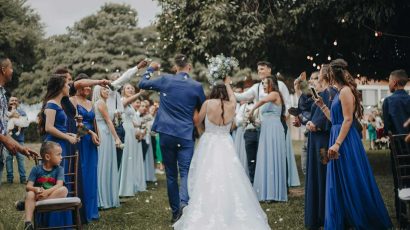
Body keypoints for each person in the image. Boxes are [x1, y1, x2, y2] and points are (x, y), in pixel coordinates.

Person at [174, 75, 270, 230]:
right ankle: (230, 208)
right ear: (225, 93)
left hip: (209, 143)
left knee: (206, 174)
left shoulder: (208, 103)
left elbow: (197, 122)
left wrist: (193, 109)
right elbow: (232, 99)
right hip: (226, 143)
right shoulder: (232, 105)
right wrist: (228, 84)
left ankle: (207, 206)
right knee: (229, 174)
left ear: (213, 92)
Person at [315, 60, 392, 229]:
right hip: (338, 134)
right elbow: (336, 120)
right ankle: (345, 219)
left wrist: (337, 144)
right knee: (339, 181)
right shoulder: (338, 93)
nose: (323, 76)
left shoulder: (345, 91)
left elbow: (348, 120)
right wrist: (322, 107)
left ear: (331, 74)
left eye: (324, 73)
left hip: (345, 141)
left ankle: (362, 217)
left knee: (351, 177)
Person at [139, 54, 206, 223]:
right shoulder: (196, 86)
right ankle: (184, 203)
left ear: (175, 67)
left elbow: (142, 83)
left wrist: (150, 69)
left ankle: (176, 212)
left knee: (170, 175)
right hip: (185, 134)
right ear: (188, 67)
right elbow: (202, 108)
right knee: (185, 172)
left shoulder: (165, 80)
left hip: (166, 133)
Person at [234, 61, 299, 186]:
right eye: (258, 70)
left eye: (262, 69)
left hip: (278, 123)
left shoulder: (280, 85)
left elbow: (288, 105)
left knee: (280, 153)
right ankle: (267, 184)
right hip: (262, 126)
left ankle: (282, 184)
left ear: (269, 70)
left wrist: (281, 121)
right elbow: (242, 97)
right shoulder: (257, 87)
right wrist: (228, 91)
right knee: (265, 155)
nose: (259, 72)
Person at [38, 74, 78, 227]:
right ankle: (52, 222)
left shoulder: (59, 104)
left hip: (61, 144)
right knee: (53, 181)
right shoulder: (51, 104)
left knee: (61, 179)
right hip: (53, 146)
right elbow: (49, 128)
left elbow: (58, 127)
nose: (69, 87)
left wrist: (68, 134)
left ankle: (62, 222)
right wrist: (67, 138)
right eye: (67, 85)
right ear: (61, 87)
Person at [304, 64, 337, 229]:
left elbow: (326, 117)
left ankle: (322, 214)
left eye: (314, 79)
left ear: (321, 78)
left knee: (322, 174)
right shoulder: (325, 94)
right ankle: (321, 213)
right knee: (320, 173)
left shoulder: (328, 93)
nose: (312, 82)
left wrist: (314, 125)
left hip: (322, 142)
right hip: (319, 140)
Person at [249, 76, 288, 202]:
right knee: (266, 157)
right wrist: (254, 121)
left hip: (274, 130)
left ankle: (273, 193)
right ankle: (266, 192)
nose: (263, 85)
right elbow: (264, 114)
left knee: (273, 156)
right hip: (266, 129)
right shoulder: (270, 96)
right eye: (263, 83)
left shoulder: (275, 94)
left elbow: (262, 101)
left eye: (265, 83)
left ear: (271, 83)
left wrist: (252, 110)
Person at [0, 58, 38, 185]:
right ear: (3, 70)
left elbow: (3, 130)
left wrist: (22, 149)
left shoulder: (3, 94)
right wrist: (6, 141)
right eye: (11, 68)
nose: (12, 71)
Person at [70, 73, 100, 223]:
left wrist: (97, 137)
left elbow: (95, 122)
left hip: (91, 143)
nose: (88, 88)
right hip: (80, 141)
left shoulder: (90, 102)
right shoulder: (72, 101)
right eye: (85, 85)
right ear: (78, 85)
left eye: (90, 85)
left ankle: (92, 210)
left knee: (92, 174)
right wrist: (90, 133)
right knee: (81, 174)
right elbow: (75, 126)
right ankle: (82, 211)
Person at [382, 69, 410, 227]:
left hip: (398, 151)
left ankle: (402, 217)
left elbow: (387, 129)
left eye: (389, 81)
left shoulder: (388, 101)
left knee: (399, 182)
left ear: (395, 82)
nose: (388, 84)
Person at [21, 141, 68, 230]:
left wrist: (46, 192)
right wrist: (35, 189)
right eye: (58, 154)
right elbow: (28, 187)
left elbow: (59, 185)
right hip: (38, 194)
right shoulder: (36, 169)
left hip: (51, 195)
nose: (61, 157)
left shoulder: (59, 169)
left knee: (64, 190)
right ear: (47, 157)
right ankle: (28, 224)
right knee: (30, 194)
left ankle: (32, 203)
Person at [93, 85, 122, 209]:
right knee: (104, 163)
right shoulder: (100, 102)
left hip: (104, 131)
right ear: (98, 91)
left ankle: (105, 197)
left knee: (105, 163)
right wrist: (117, 137)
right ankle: (103, 198)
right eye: (104, 89)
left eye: (107, 89)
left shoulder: (101, 102)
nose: (107, 91)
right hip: (104, 133)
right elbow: (108, 121)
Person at [118, 83, 146, 196]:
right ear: (123, 90)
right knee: (126, 157)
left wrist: (139, 127)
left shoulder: (130, 105)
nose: (130, 90)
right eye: (128, 88)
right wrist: (139, 93)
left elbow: (131, 120)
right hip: (125, 129)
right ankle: (122, 188)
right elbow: (125, 103)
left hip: (131, 130)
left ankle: (129, 185)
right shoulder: (122, 100)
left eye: (132, 89)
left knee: (131, 157)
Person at [5, 96, 29, 184]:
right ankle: (9, 179)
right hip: (7, 140)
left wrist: (17, 123)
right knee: (8, 159)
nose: (14, 101)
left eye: (16, 100)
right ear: (8, 102)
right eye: (12, 100)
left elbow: (26, 124)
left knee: (21, 159)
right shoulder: (5, 112)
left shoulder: (22, 112)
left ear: (18, 102)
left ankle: (23, 179)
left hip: (19, 140)